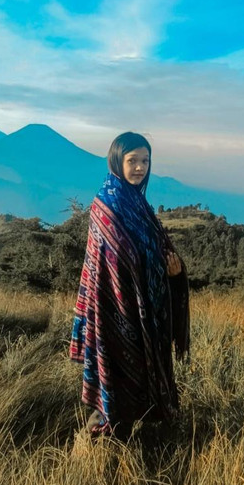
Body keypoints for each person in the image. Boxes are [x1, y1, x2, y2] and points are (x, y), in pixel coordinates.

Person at [69, 131, 190, 440]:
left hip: (147, 311)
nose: (139, 168)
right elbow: (112, 262)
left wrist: (174, 272)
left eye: (145, 161)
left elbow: (154, 248)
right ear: (116, 161)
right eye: (132, 160)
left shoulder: (137, 202)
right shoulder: (107, 204)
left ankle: (150, 438)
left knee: (143, 377)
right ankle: (107, 445)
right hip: (117, 310)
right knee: (119, 380)